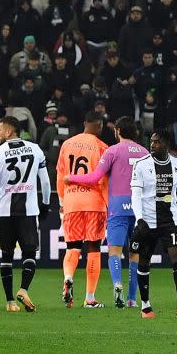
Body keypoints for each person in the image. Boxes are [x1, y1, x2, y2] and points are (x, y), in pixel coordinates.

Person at [65, 116, 148, 308]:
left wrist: (72, 178)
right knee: (135, 253)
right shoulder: (144, 153)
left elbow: (95, 177)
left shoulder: (112, 151)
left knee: (114, 251)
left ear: (118, 131)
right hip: (139, 207)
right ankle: (131, 299)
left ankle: (117, 284)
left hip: (117, 206)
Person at [0, 116, 52, 312]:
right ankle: (23, 289)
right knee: (29, 254)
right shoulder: (36, 149)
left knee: (6, 255)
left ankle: (9, 302)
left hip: (5, 212)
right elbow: (45, 183)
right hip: (29, 211)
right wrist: (46, 204)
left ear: (9, 131)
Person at [129, 128, 177, 318]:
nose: (152, 144)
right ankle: (145, 305)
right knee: (144, 260)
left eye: (157, 142)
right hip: (148, 221)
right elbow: (136, 194)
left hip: (171, 220)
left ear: (166, 144)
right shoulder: (141, 165)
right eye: (151, 141)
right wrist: (139, 218)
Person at [56, 111, 109, 308]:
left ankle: (68, 277)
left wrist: (62, 200)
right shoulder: (102, 147)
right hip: (94, 203)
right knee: (94, 247)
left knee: (73, 247)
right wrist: (108, 204)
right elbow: (103, 180)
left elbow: (61, 175)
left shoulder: (67, 144)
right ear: (96, 125)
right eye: (101, 125)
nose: (102, 129)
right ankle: (90, 298)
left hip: (71, 202)